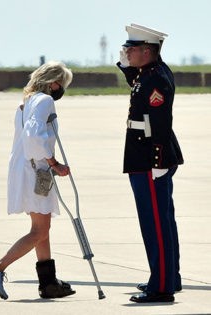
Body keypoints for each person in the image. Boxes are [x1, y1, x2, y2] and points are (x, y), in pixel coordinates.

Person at [0, 61, 75, 300]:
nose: (61, 88)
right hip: (36, 171)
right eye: (61, 84)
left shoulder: (25, 103)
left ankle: (48, 282)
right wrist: (54, 163)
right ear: (53, 82)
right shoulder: (45, 101)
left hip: (24, 169)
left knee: (42, 228)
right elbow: (34, 137)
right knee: (39, 230)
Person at [117, 24, 184, 303]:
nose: (127, 52)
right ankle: (168, 278)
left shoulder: (155, 78)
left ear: (147, 51)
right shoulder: (151, 73)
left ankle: (161, 288)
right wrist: (124, 64)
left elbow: (159, 122)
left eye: (131, 49)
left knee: (155, 223)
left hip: (149, 158)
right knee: (162, 220)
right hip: (145, 156)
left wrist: (157, 160)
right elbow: (137, 83)